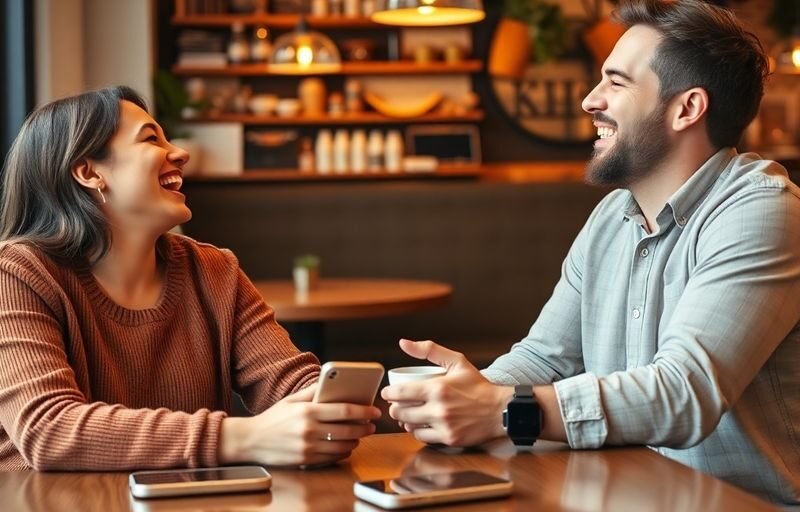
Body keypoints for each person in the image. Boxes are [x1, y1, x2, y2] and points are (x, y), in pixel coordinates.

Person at [382, 0, 800, 505]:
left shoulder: (762, 212)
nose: (589, 100)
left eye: (616, 82)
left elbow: (685, 392)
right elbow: (545, 357)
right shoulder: (611, 218)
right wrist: (459, 397)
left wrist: (501, 410)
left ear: (686, 108)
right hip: (627, 494)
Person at [0, 86, 380, 471]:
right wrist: (247, 437)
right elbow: (47, 430)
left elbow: (289, 386)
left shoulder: (214, 271)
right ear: (88, 171)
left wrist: (353, 407)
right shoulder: (17, 274)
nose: (180, 153)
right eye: (151, 139)